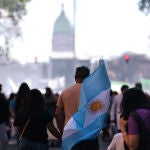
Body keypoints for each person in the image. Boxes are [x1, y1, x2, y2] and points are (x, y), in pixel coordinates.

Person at [56, 66, 99, 150]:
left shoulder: (65, 92)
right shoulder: (94, 93)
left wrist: (62, 131)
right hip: (89, 133)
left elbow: (58, 114)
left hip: (70, 133)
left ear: (75, 78)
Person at [0, 83, 9, 150]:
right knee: (4, 140)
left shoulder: (2, 98)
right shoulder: (2, 98)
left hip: (2, 121)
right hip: (1, 121)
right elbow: (6, 110)